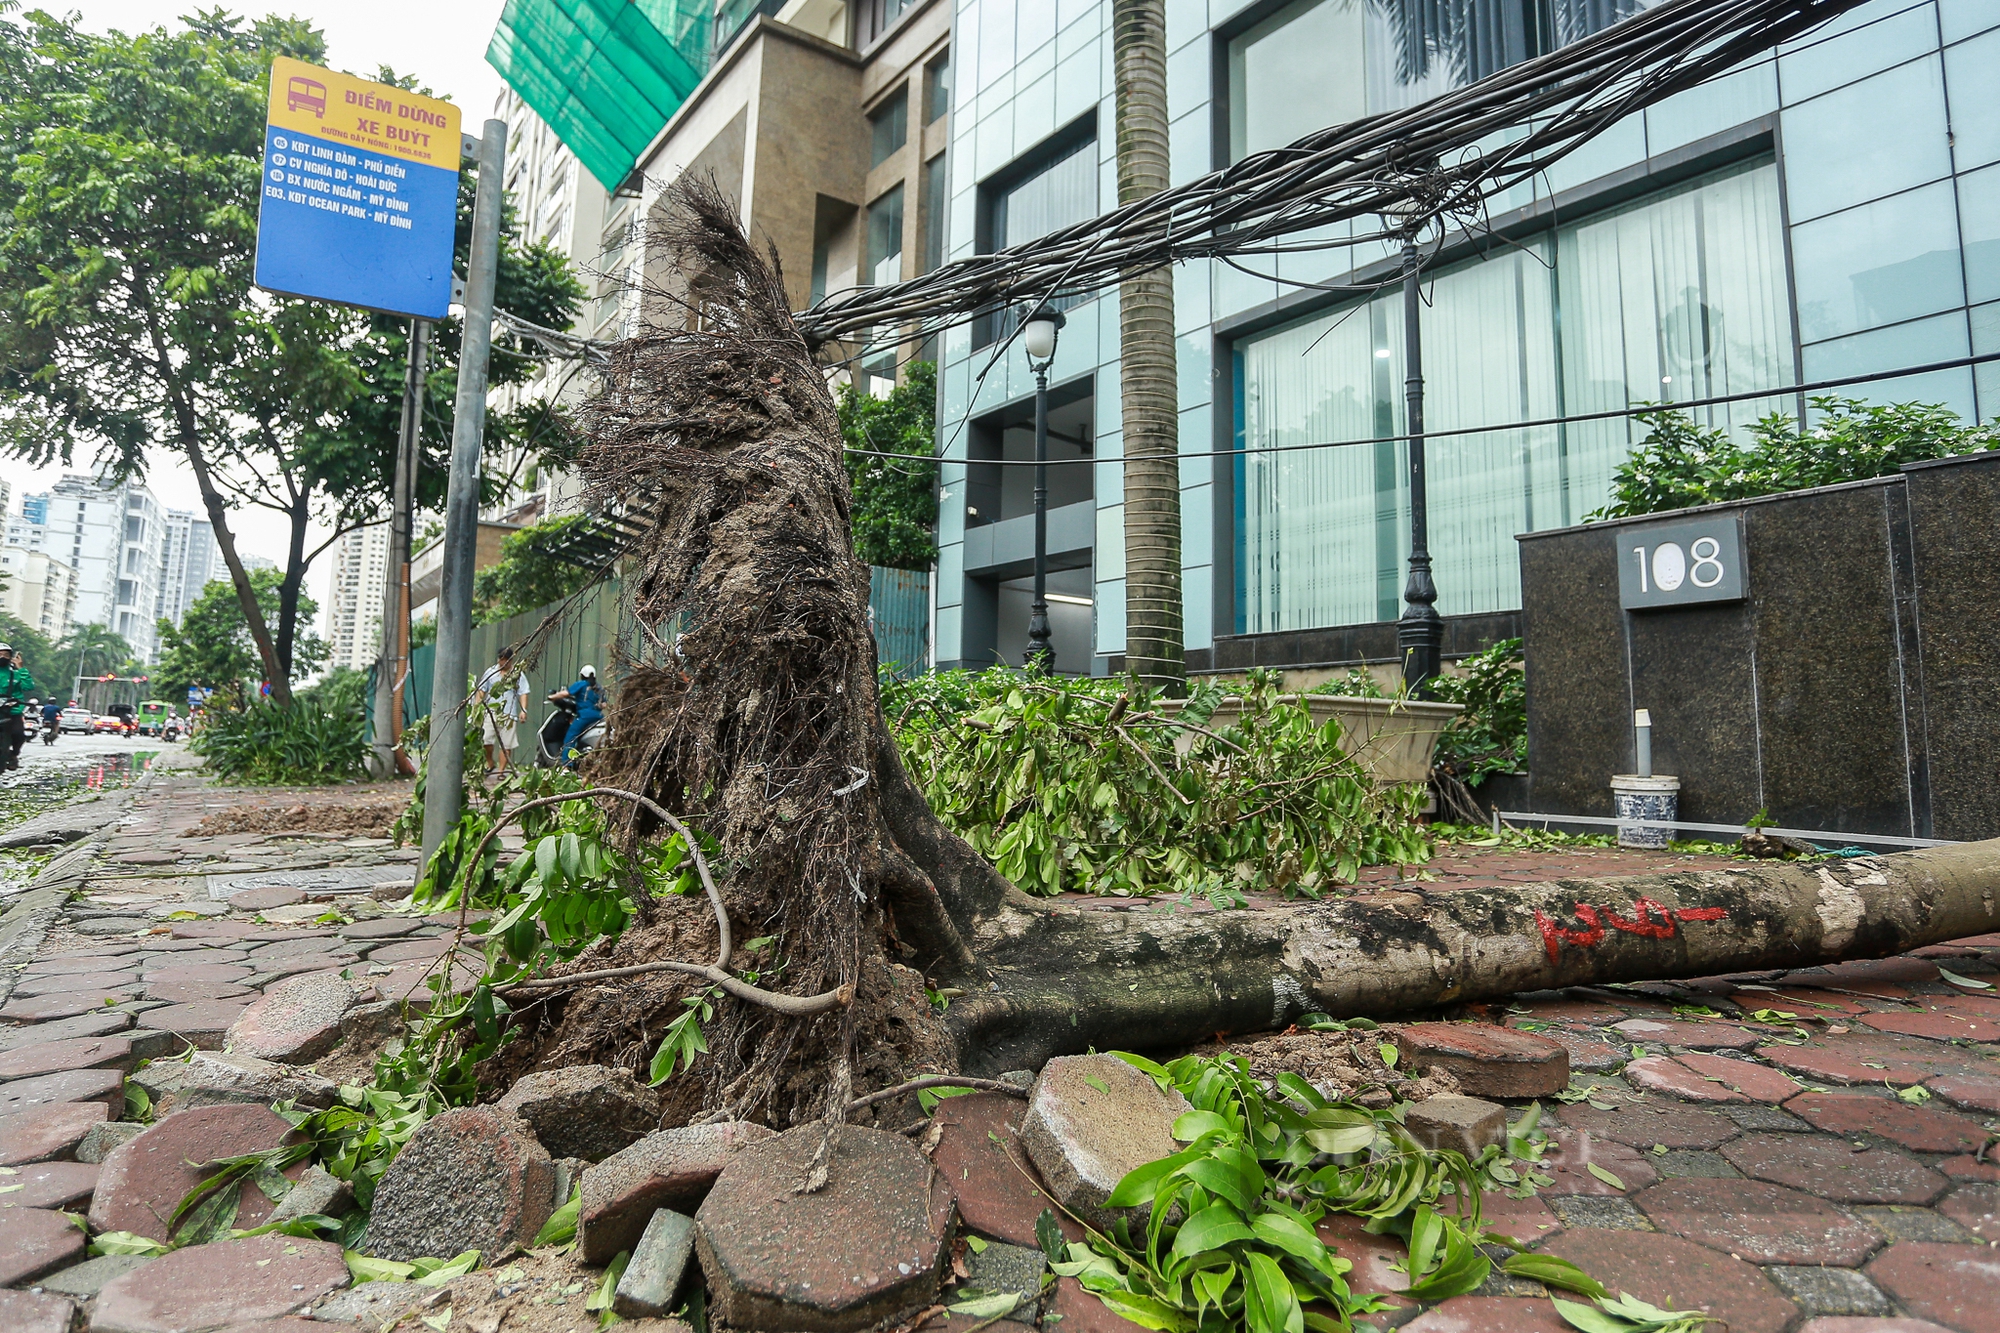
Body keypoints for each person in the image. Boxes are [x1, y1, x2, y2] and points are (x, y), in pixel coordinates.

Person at [475, 644, 531, 774]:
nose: (503, 661)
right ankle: (490, 762)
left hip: (509, 713)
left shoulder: (517, 674)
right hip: (491, 711)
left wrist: (523, 710)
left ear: (511, 660)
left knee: (507, 744)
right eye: (501, 658)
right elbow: (481, 690)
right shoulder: (491, 672)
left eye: (506, 659)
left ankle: (501, 770)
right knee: (486, 739)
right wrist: (477, 706)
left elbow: (523, 692)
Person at [549, 664, 603, 768]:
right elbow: (604, 704)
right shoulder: (598, 687)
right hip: (599, 716)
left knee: (570, 737)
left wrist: (552, 697)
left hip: (584, 716)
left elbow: (566, 693)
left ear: (582, 675)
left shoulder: (581, 684)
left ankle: (567, 764)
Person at [0, 645, 37, 772]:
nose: (2, 657)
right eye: (0, 654)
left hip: (12, 712)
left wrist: (21, 668)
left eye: (6, 655)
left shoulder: (15, 674)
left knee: (18, 734)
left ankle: (13, 754)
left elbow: (28, 686)